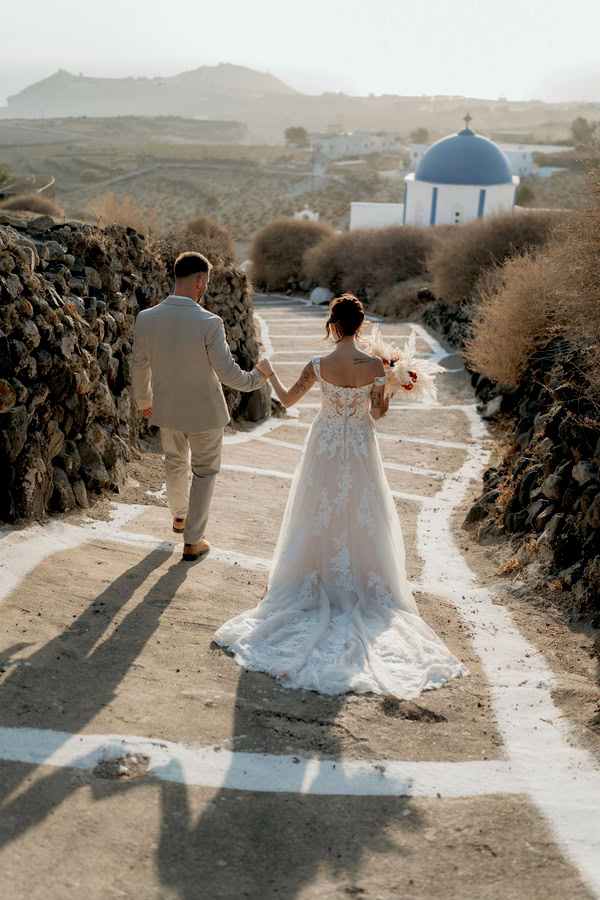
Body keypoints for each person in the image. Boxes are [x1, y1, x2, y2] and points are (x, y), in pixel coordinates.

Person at [214, 293, 468, 697]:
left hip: (326, 442)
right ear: (361, 326)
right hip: (361, 445)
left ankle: (316, 579)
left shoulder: (318, 365)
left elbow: (287, 399)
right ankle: (364, 584)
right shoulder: (374, 366)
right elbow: (379, 414)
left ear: (333, 325)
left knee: (318, 509)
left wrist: (266, 371)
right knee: (362, 510)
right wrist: (393, 386)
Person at [132, 251, 268, 561]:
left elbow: (139, 365)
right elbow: (228, 373)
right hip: (206, 412)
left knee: (174, 461)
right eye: (204, 282)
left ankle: (180, 517)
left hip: (166, 409)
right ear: (199, 280)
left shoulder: (147, 318)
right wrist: (257, 377)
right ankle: (193, 540)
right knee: (204, 472)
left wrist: (144, 400)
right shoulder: (209, 321)